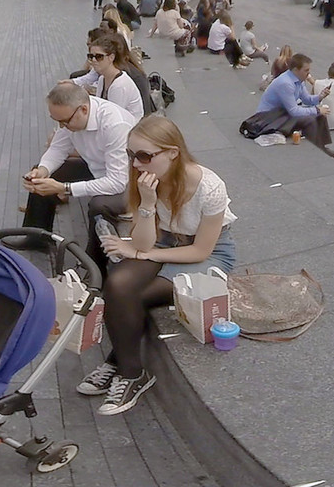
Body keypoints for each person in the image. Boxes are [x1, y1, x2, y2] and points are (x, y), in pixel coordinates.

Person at [83, 114, 238, 416]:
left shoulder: (210, 187)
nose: (135, 164)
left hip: (208, 254)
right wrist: (147, 203)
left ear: (173, 153)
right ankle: (127, 367)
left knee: (135, 295)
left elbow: (200, 251)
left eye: (144, 156)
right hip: (164, 242)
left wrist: (144, 256)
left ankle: (126, 370)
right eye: (130, 154)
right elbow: (142, 243)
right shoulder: (144, 180)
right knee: (118, 284)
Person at [21, 81, 135, 269]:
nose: (62, 126)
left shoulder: (115, 125)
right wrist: (42, 170)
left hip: (132, 182)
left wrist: (65, 188)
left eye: (65, 121)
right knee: (45, 174)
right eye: (57, 121)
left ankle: (95, 263)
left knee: (99, 205)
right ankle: (37, 237)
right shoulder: (71, 117)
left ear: (83, 109)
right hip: (97, 168)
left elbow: (117, 182)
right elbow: (58, 148)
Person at [243, 53, 334, 156]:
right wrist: (317, 110)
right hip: (267, 118)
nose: (309, 73)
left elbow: (307, 99)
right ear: (295, 70)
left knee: (318, 116)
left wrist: (320, 96)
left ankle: (322, 146)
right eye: (306, 70)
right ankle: (319, 148)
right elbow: (294, 111)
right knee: (313, 117)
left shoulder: (299, 80)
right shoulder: (286, 83)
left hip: (281, 113)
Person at [69, 36, 146, 120]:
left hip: (130, 125)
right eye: (91, 56)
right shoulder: (102, 79)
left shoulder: (119, 85)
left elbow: (113, 117)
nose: (94, 60)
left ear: (111, 57)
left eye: (99, 57)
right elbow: (99, 108)